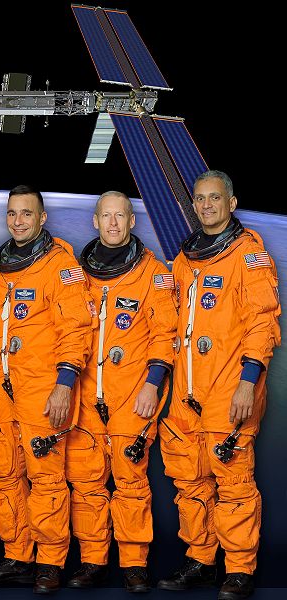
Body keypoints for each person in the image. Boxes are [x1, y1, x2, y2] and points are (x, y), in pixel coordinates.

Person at [158, 170, 281, 600]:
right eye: (200, 198)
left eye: (215, 198)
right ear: (193, 205)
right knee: (189, 479)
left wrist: (248, 384)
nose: (207, 205)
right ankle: (201, 559)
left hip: (230, 386)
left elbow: (262, 324)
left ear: (231, 203)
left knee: (233, 482)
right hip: (187, 389)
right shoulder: (184, 259)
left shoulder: (249, 255)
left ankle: (240, 568)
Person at [0, 185, 93, 594]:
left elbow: (77, 329)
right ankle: (17, 556)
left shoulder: (60, 265)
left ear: (42, 218)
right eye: (12, 213)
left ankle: (49, 561)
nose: (18, 221)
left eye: (26, 213)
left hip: (42, 391)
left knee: (46, 479)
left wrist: (64, 384)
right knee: (5, 476)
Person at [64, 191, 177, 592]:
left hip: (133, 394)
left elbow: (165, 334)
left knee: (130, 481)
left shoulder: (153, 273)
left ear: (132, 221)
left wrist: (152, 384)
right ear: (96, 221)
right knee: (86, 483)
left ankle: (134, 564)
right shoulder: (75, 273)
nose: (113, 223)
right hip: (84, 395)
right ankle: (92, 561)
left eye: (120, 216)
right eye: (106, 216)